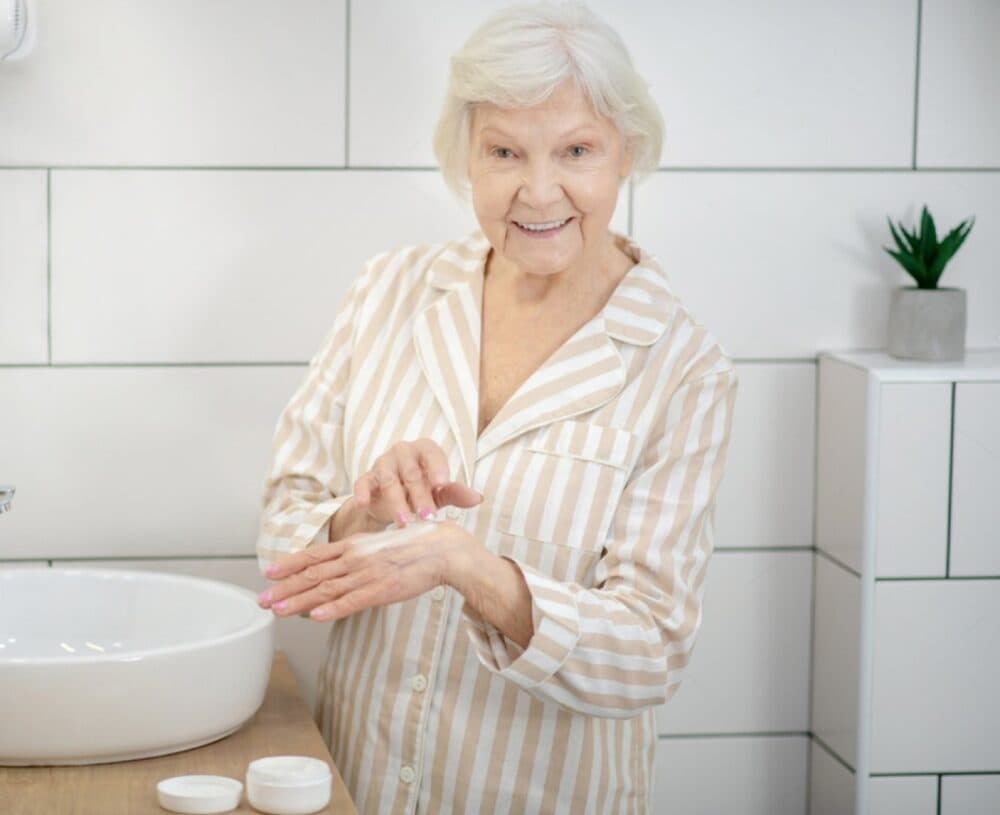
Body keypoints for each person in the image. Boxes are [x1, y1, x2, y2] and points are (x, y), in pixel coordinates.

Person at [255, 2, 738, 812]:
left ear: (627, 154)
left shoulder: (683, 369)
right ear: (466, 158)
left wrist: (469, 568)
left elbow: (651, 650)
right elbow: (280, 543)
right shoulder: (390, 291)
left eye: (576, 150)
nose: (537, 190)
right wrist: (361, 514)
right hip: (357, 781)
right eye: (505, 151)